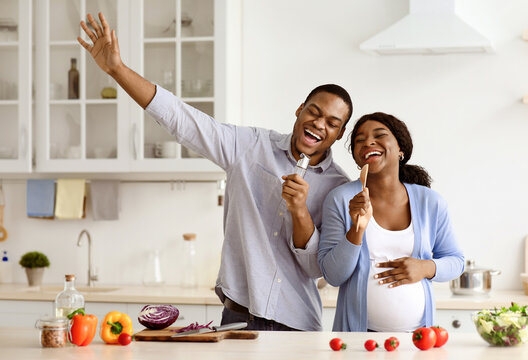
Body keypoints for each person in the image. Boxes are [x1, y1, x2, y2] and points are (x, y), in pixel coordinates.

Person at [78, 13, 353, 331]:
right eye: (314, 112)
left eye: (332, 123)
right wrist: (117, 69)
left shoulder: (338, 187)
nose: (320, 124)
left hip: (297, 324)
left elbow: (314, 269)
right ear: (299, 110)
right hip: (237, 317)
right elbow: (182, 119)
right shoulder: (249, 146)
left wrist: (300, 211)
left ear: (339, 134)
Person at [318, 112, 464, 332]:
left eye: (379, 135)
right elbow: (333, 275)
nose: (368, 142)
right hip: (359, 340)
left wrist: (426, 267)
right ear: (358, 158)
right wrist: (356, 230)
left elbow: (456, 261)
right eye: (360, 140)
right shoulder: (340, 199)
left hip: (419, 340)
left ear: (400, 150)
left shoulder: (430, 202)